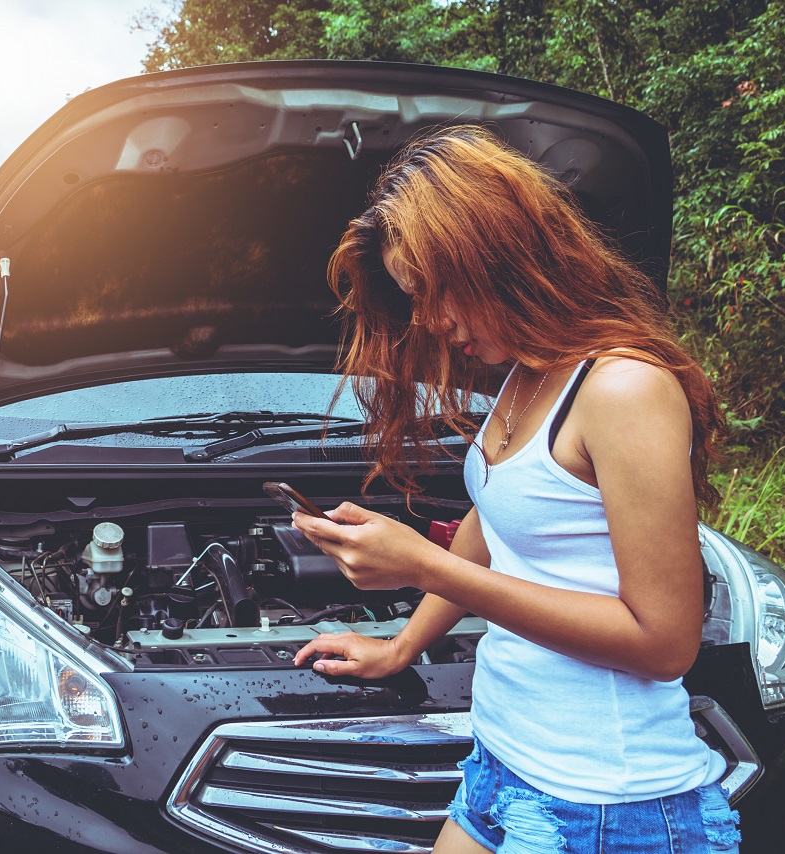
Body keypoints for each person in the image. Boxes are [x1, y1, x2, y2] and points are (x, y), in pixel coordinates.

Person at [290, 126, 741, 853]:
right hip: (504, 762)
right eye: (415, 300)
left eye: (436, 293)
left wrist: (421, 564)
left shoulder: (623, 389)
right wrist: (401, 646)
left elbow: (664, 643)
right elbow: (493, 523)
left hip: (604, 805)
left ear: (497, 254)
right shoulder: (527, 374)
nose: (430, 322)